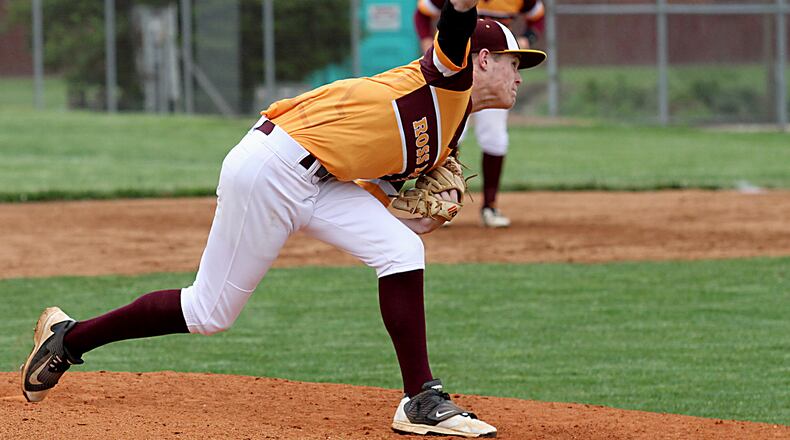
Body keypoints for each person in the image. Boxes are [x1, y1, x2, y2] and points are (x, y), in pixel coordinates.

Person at [21, 1, 545, 437]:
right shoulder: (448, 74)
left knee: (402, 250)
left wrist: (417, 220)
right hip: (272, 168)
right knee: (209, 312)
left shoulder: (447, 134)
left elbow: (381, 195)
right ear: (480, 61)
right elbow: (457, 13)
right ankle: (68, 340)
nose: (519, 74)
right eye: (512, 61)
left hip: (321, 180)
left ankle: (420, 400)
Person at [415, 0, 546, 228]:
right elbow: (422, 15)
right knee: (449, 134)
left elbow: (538, 16)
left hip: (495, 70)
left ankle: (490, 206)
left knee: (494, 136)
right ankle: (441, 201)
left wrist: (528, 39)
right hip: (456, 64)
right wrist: (427, 40)